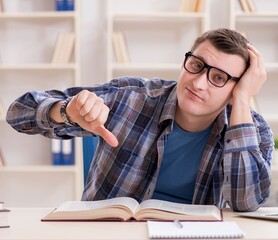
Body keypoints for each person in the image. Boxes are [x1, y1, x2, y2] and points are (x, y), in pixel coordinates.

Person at [6, 28, 274, 212]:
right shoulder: (131, 98)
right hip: (107, 234)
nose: (199, 82)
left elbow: (245, 202)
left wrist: (241, 101)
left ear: (236, 89)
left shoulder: (252, 130)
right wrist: (65, 111)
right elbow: (18, 112)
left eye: (218, 78)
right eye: (196, 65)